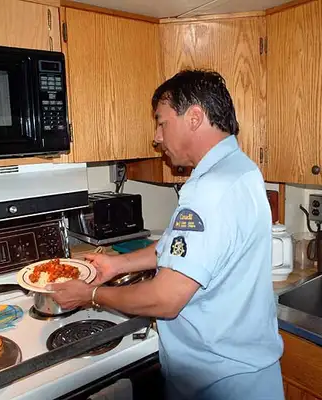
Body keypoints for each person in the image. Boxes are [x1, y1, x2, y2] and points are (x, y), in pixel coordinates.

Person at [47, 69, 284, 400]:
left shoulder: (210, 190)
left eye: (162, 123)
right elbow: (183, 247)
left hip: (219, 382)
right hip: (250, 375)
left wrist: (92, 295)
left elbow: (165, 299)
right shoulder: (241, 170)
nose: (157, 137)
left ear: (195, 118)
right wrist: (116, 265)